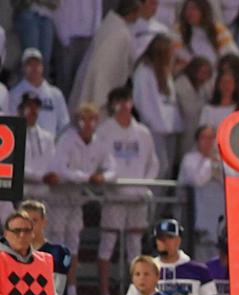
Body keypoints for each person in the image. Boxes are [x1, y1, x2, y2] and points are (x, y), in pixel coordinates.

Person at [96, 86, 160, 295]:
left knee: (135, 246)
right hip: (114, 196)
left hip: (137, 197)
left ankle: (136, 294)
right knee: (108, 243)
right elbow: (98, 160)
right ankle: (104, 294)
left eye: (126, 101)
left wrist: (144, 185)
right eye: (119, 101)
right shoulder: (104, 130)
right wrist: (109, 181)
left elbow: (153, 163)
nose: (123, 106)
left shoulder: (143, 132)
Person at [48, 103, 116, 295]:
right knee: (56, 243)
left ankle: (71, 291)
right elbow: (61, 169)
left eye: (92, 120)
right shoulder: (66, 140)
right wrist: (86, 177)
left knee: (73, 246)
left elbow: (112, 169)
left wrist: (103, 177)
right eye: (83, 120)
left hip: (77, 200)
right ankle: (54, 291)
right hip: (59, 199)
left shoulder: (99, 143)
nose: (87, 124)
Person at [68, 0, 141, 113]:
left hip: (91, 78)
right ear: (133, 12)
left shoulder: (108, 24)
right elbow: (132, 65)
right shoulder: (122, 34)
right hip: (103, 86)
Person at [133, 33, 183, 179]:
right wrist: (152, 122)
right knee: (158, 168)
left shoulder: (165, 71)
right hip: (154, 128)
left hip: (170, 128)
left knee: (168, 170)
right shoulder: (144, 71)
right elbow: (142, 101)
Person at [178, 125, 226, 261]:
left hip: (218, 218)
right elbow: (198, 180)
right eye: (204, 138)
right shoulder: (190, 159)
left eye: (211, 138)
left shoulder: (222, 160)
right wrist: (210, 162)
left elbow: (227, 180)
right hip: (195, 216)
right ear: (197, 140)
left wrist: (216, 162)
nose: (208, 142)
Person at [8, 48, 69, 136]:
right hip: (26, 142)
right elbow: (12, 125)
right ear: (23, 68)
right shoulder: (14, 94)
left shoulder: (56, 94)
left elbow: (64, 124)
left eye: (37, 64)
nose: (34, 68)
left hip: (51, 143)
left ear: (42, 66)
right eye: (30, 64)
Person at [51, 0, 102, 97]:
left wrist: (95, 35)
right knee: (64, 80)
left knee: (83, 82)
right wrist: (64, 37)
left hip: (88, 37)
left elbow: (97, 8)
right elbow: (57, 8)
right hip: (68, 37)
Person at [173, 0, 239, 68]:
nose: (189, 12)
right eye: (187, 8)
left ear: (203, 10)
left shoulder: (218, 29)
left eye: (194, 8)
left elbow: (231, 54)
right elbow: (178, 56)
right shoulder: (179, 31)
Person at [19, 92, 56, 202]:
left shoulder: (47, 137)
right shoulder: (14, 136)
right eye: (29, 106)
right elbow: (15, 168)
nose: (33, 110)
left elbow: (52, 164)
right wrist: (40, 177)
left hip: (43, 194)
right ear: (21, 109)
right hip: (22, 193)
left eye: (36, 107)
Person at [174, 56, 213, 157]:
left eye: (207, 73)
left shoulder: (203, 86)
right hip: (184, 129)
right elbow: (189, 110)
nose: (204, 77)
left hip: (197, 128)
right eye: (202, 72)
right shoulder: (181, 84)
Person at [13, 0, 58, 65]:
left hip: (47, 16)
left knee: (45, 60)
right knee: (32, 57)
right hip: (28, 13)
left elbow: (56, 4)